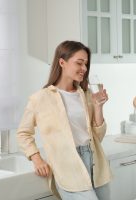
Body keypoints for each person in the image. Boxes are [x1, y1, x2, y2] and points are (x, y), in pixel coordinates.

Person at [17, 40, 112, 200]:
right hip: (68, 166)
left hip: (95, 161)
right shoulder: (40, 98)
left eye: (86, 64)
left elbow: (98, 137)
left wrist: (98, 107)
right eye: (79, 63)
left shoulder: (86, 94)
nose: (84, 69)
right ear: (62, 62)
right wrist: (37, 159)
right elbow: (23, 133)